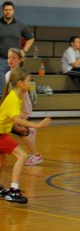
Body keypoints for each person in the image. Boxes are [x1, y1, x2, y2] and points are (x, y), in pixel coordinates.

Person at [0, 67, 51, 204]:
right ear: (20, 83)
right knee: (22, 156)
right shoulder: (13, 99)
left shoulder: (17, 97)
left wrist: (18, 128)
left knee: (3, 161)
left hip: (2, 133)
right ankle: (13, 191)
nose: (30, 83)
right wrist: (37, 125)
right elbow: (16, 118)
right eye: (28, 80)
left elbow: (9, 119)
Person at [6, 48, 43, 165]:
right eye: (8, 57)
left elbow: (21, 93)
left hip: (21, 108)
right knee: (15, 131)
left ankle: (37, 155)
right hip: (15, 108)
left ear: (20, 60)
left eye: (13, 58)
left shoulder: (19, 75)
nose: (10, 60)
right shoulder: (9, 74)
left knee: (19, 132)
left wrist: (20, 112)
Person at [0, 1, 35, 97]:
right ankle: (3, 104)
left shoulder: (20, 25)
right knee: (2, 84)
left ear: (13, 11)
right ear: (2, 11)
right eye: (6, 10)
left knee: (17, 83)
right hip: (1, 60)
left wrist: (24, 50)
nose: (8, 12)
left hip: (16, 60)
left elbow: (31, 38)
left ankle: (16, 104)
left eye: (10, 10)